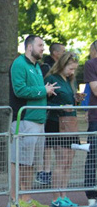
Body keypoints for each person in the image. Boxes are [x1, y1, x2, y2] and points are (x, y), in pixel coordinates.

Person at [9, 34, 58, 207]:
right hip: (24, 120)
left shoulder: (37, 67)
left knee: (30, 162)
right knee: (18, 160)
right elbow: (20, 90)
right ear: (29, 47)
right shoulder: (19, 64)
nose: (43, 48)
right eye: (40, 45)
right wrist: (43, 90)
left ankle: (26, 198)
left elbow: (36, 90)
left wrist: (46, 92)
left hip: (38, 121)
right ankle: (14, 199)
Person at [45, 52, 84, 207]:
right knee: (61, 161)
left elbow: (69, 103)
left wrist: (76, 101)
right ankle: (56, 198)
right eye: (70, 68)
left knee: (68, 161)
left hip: (71, 124)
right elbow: (44, 103)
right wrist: (61, 107)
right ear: (62, 64)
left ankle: (64, 195)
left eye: (74, 69)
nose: (72, 72)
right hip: (57, 123)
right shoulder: (51, 79)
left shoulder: (69, 81)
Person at [37, 42, 66, 185]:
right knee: (48, 143)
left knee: (53, 143)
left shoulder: (59, 70)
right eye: (63, 51)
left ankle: (48, 171)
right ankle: (45, 171)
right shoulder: (46, 68)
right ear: (55, 53)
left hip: (56, 112)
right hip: (49, 112)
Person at [83, 40, 97, 206]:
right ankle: (91, 194)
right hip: (96, 118)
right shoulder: (91, 64)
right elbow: (95, 90)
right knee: (93, 155)